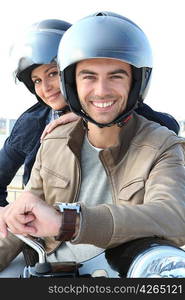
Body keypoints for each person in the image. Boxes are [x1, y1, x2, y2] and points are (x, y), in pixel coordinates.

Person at [1, 11, 185, 277]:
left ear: (135, 82)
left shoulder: (163, 145)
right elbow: (24, 220)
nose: (101, 90)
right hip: (45, 266)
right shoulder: (51, 140)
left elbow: (175, 217)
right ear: (72, 84)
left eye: (116, 76)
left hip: (119, 271)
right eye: (88, 76)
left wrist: (69, 221)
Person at [0, 18, 79, 208]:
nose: (45, 88)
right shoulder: (31, 123)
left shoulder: (117, 115)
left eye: (53, 73)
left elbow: (160, 126)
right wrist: (11, 223)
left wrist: (88, 118)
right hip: (41, 234)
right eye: (36, 80)